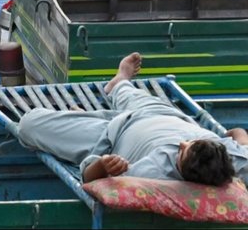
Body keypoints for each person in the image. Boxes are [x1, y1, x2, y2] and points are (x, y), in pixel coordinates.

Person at [17, 52, 248, 185]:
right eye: (191, 144)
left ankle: (85, 116)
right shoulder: (234, 159)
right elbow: (241, 138)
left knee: (29, 124)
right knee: (127, 92)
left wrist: (102, 165)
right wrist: (232, 134)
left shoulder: (153, 172)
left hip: (111, 136)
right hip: (166, 115)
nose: (182, 143)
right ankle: (119, 83)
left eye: (182, 152)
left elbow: (89, 178)